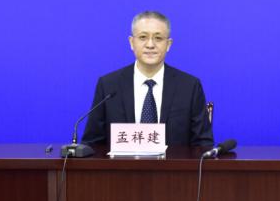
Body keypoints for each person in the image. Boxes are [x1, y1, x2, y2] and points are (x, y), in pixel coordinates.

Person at [81, 11, 214, 147]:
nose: (150, 45)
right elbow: (92, 143)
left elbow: (203, 144)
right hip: (122, 161)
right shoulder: (109, 85)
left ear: (168, 44)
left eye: (158, 38)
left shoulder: (189, 86)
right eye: (143, 37)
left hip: (172, 161)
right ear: (132, 42)